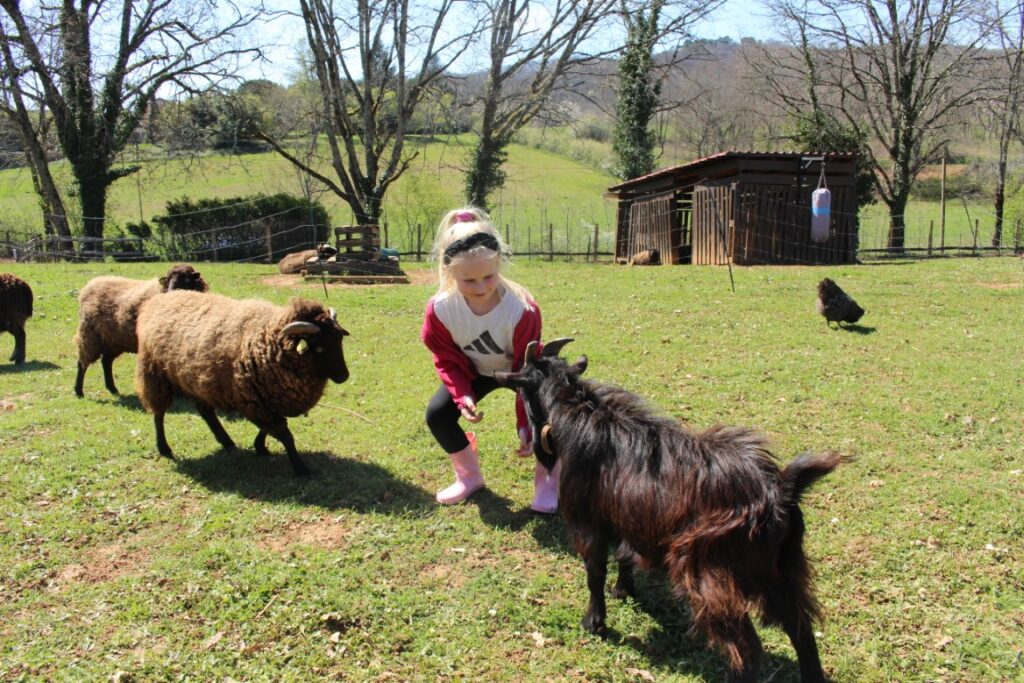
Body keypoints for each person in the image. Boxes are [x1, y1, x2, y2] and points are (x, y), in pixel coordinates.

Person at [420, 207, 558, 512]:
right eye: (468, 281)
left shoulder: (522, 310)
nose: (481, 288)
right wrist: (462, 394)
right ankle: (468, 477)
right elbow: (445, 358)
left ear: (499, 265)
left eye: (489, 276)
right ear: (449, 271)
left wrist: (525, 422)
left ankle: (548, 481)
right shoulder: (440, 310)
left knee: (546, 418)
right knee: (437, 415)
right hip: (475, 372)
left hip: (521, 371)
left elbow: (527, 369)